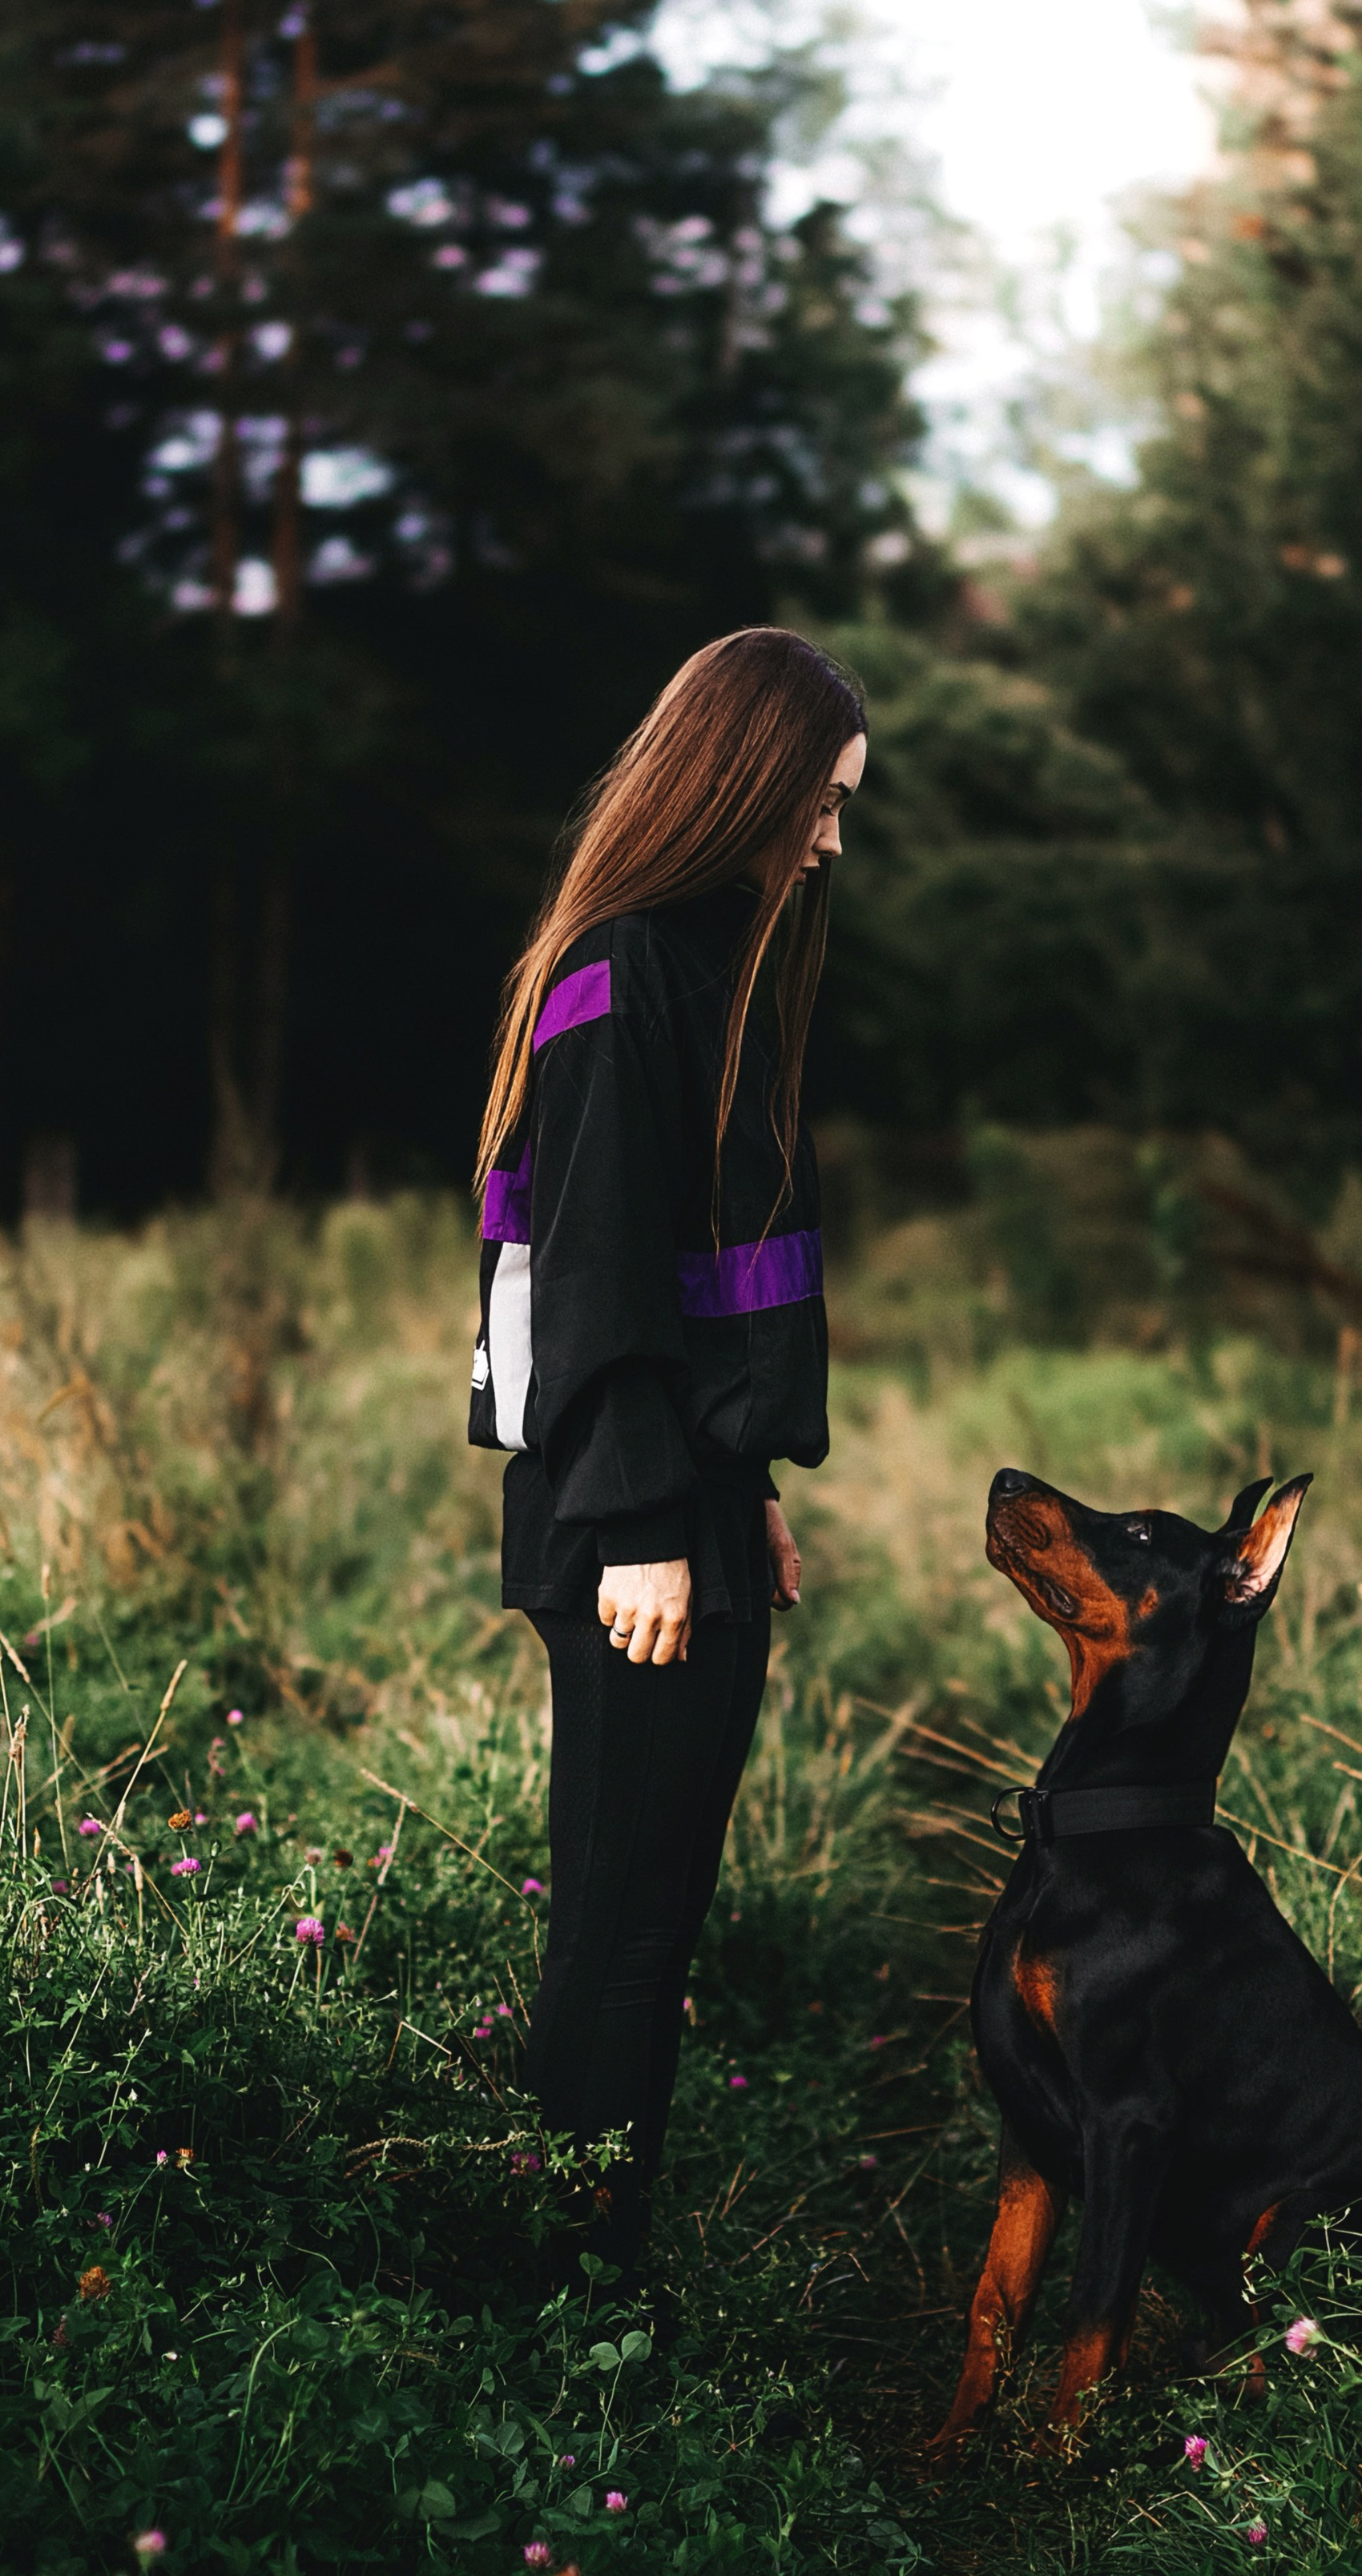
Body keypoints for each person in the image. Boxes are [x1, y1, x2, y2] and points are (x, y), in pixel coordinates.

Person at [469, 626, 867, 2272]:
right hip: (624, 1522)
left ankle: (573, 2266)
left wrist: (739, 1491)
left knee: (641, 1924)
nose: (831, 837)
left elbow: (699, 1279)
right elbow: (593, 1283)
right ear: (746, 779)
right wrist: (647, 1520)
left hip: (677, 1503)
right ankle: (569, 2297)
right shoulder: (623, 972)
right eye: (820, 799)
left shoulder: (692, 974)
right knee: (623, 1942)